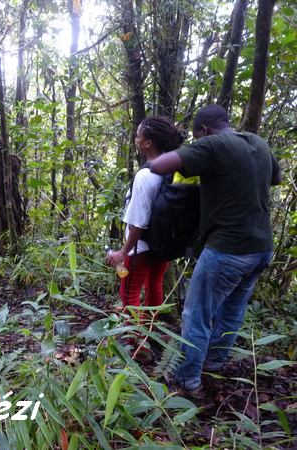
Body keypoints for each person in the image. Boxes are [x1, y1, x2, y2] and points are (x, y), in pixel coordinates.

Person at [150, 105, 282, 395]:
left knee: (197, 314)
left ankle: (187, 380)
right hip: (260, 247)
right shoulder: (257, 142)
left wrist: (191, 154)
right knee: (232, 310)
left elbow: (159, 165)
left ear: (204, 130)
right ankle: (215, 362)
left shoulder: (212, 144)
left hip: (228, 248)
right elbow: (277, 178)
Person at [106, 116, 185, 314]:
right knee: (154, 285)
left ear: (149, 143)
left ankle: (134, 342)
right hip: (164, 245)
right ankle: (151, 334)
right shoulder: (175, 170)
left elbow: (138, 223)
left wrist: (123, 252)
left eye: (138, 136)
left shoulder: (145, 175)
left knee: (129, 294)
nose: (136, 139)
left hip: (140, 249)